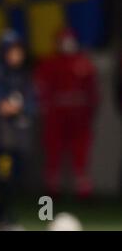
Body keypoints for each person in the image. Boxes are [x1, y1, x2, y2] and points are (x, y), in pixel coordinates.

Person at [34, 27, 98, 198]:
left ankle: (83, 191)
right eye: (63, 41)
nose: (67, 45)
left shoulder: (84, 62)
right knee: (53, 152)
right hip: (56, 116)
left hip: (79, 117)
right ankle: (52, 191)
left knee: (80, 154)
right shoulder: (49, 64)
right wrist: (46, 108)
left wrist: (88, 110)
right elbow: (41, 89)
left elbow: (92, 92)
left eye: (70, 41)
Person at [0, 29, 37, 227]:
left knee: (14, 179)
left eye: (19, 50)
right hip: (2, 140)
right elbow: (0, 106)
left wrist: (20, 108)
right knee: (2, 179)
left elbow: (32, 105)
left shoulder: (23, 76)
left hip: (18, 139)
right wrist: (13, 108)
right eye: (12, 51)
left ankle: (4, 216)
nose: (17, 55)